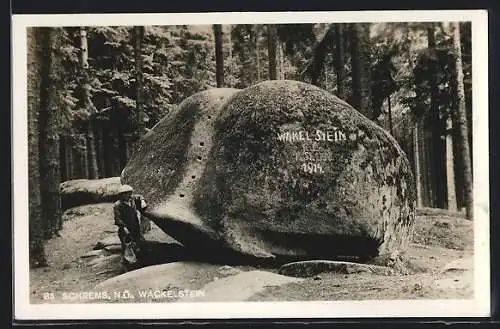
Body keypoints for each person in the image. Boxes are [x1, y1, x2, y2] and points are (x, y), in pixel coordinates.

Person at [113, 184, 147, 269]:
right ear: (121, 195)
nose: (128, 195)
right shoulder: (117, 205)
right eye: (125, 194)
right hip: (125, 228)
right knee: (127, 246)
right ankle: (125, 266)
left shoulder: (132, 200)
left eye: (129, 193)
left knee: (139, 243)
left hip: (135, 227)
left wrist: (143, 201)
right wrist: (124, 228)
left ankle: (138, 263)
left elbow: (140, 196)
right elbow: (118, 219)